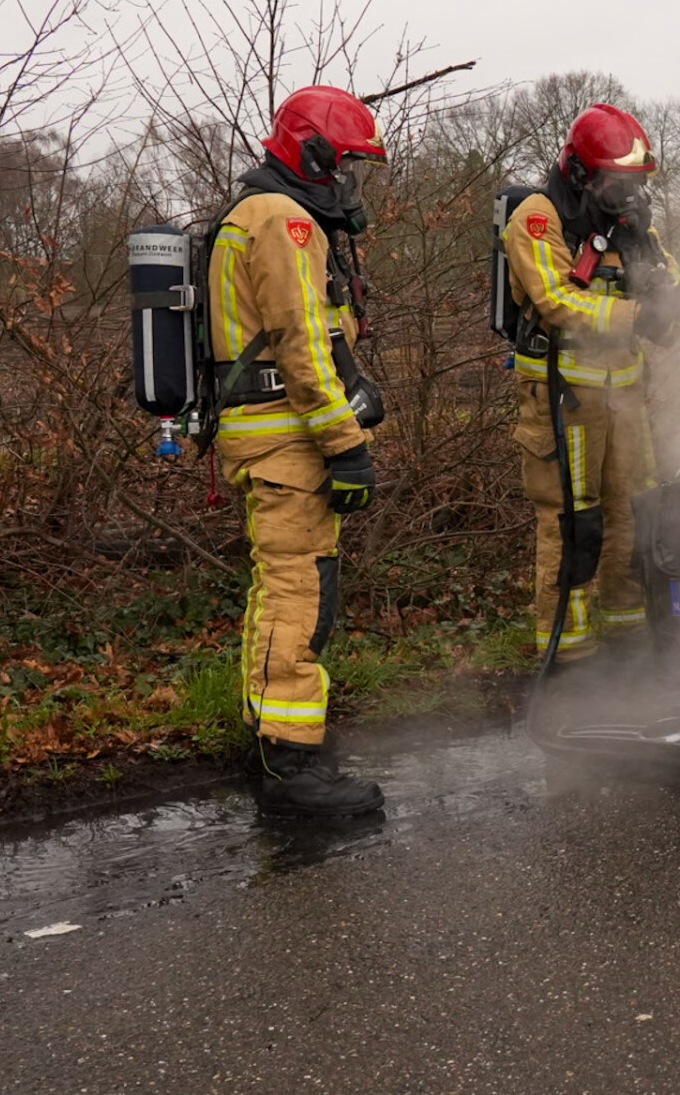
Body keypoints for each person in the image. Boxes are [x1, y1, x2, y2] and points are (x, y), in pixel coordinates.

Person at [210, 85, 389, 816]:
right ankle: (293, 771)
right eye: (344, 162)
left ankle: (268, 732)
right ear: (312, 151)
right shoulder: (284, 221)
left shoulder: (252, 213)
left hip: (268, 433)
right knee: (301, 593)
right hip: (291, 439)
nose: (348, 180)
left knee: (276, 586)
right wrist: (346, 444)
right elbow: (303, 343)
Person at [502, 103, 680, 663]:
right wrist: (634, 316)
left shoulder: (629, 217)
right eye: (614, 180)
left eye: (633, 181)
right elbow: (554, 300)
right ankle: (569, 652)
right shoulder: (538, 215)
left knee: (634, 508)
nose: (625, 191)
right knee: (574, 517)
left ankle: (629, 635)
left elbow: (667, 269)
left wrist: (670, 294)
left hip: (624, 391)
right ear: (580, 171)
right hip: (564, 394)